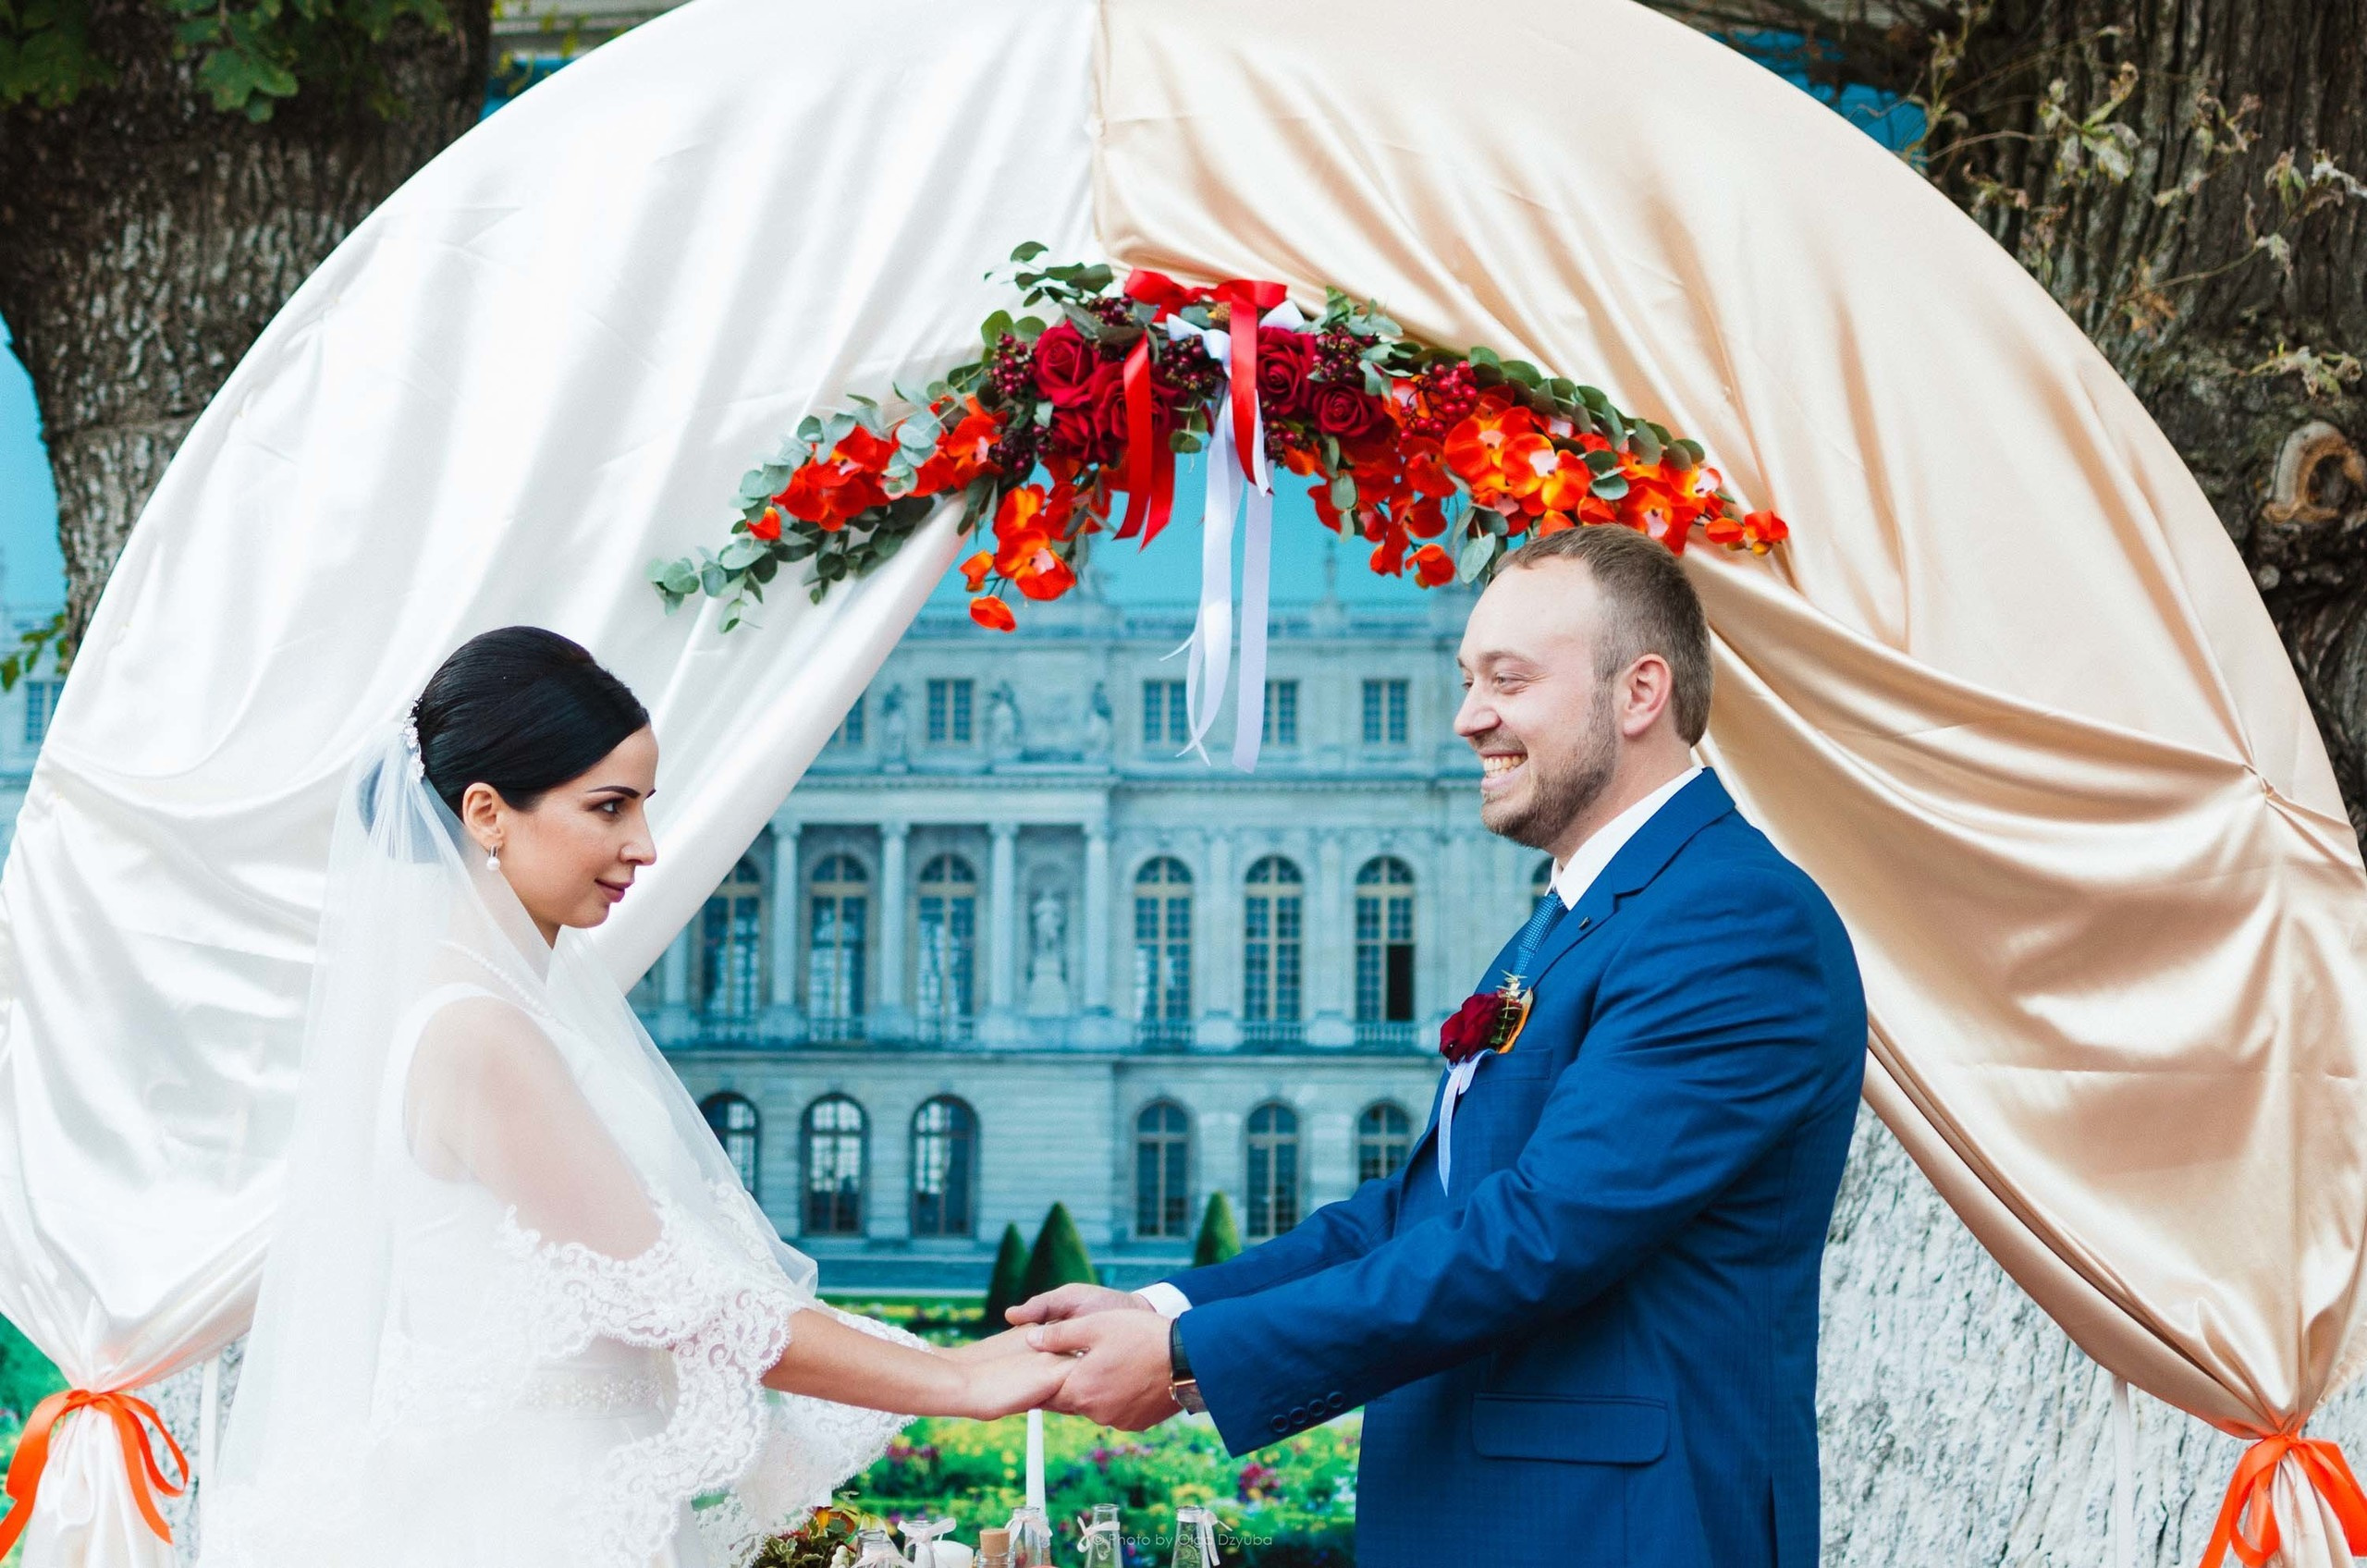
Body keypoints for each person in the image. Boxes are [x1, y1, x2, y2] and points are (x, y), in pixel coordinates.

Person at [1011, 526, 1867, 1568]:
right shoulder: (1578, 920)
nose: (1467, 717)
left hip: (1618, 1533)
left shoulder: (1730, 918)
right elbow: (1419, 1213)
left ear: (1640, 692)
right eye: (1467, 680)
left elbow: (1538, 1232)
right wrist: (1166, 1306)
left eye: (1508, 680)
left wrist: (1190, 1352)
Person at [205, 627, 1065, 1568]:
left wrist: (958, 1364)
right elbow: (683, 1298)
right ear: (487, 813)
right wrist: (957, 1383)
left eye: (643, 806)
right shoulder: (481, 1034)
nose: (645, 847)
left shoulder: (504, 1016)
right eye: (609, 807)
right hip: (534, 1522)